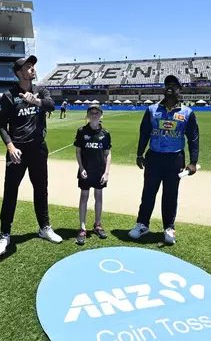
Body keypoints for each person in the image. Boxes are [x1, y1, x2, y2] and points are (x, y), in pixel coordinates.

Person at [0, 55, 62, 256]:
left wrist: (37, 101)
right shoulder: (8, 96)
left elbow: (51, 105)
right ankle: (4, 234)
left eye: (33, 66)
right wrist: (10, 147)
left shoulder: (41, 90)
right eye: (28, 67)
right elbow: (2, 126)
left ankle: (44, 227)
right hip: (17, 152)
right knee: (10, 192)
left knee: (41, 190)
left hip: (38, 150)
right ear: (18, 73)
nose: (32, 69)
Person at [129, 75, 199, 245]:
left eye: (174, 85)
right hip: (154, 157)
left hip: (175, 158)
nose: (170, 87)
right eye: (167, 84)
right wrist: (139, 154)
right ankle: (142, 225)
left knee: (170, 195)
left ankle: (169, 227)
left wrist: (193, 161)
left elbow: (193, 138)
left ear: (179, 91)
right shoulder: (152, 110)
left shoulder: (187, 113)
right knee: (148, 193)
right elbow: (144, 133)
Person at [74, 104, 112, 245]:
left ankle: (97, 224)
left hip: (100, 171)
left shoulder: (105, 133)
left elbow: (108, 154)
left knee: (99, 196)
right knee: (84, 197)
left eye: (97, 112)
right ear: (88, 115)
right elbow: (78, 151)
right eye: (92, 112)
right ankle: (82, 228)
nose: (94, 115)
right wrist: (81, 167)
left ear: (101, 115)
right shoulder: (82, 131)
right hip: (85, 170)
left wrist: (106, 172)